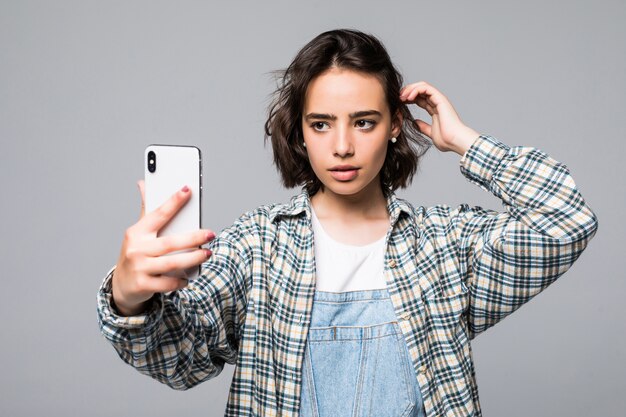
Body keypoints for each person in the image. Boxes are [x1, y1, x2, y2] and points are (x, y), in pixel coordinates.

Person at [97, 29, 599, 417]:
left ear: (395, 125)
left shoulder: (444, 246)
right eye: (321, 124)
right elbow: (175, 360)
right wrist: (128, 296)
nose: (342, 146)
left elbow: (566, 219)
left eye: (364, 121)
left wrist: (466, 142)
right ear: (300, 132)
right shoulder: (256, 248)